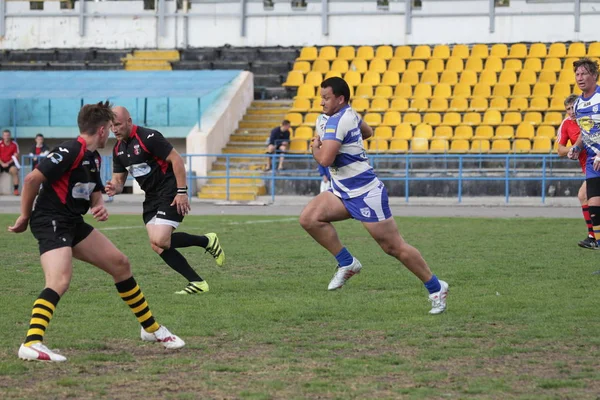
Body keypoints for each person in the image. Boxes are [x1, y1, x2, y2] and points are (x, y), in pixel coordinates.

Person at [8, 101, 184, 362]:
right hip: (51, 221)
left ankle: (151, 329)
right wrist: (25, 215)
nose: (112, 132)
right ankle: (32, 342)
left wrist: (98, 205)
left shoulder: (93, 157)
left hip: (73, 222)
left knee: (120, 264)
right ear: (101, 130)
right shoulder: (70, 150)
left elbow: (93, 189)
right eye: (109, 128)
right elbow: (32, 179)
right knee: (59, 280)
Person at [299, 77, 448, 315]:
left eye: (326, 98)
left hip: (365, 193)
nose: (321, 102)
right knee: (309, 218)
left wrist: (315, 148)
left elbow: (325, 160)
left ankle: (436, 286)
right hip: (342, 190)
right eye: (320, 97)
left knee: (393, 247)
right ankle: (347, 263)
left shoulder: (340, 120)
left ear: (340, 99)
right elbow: (367, 131)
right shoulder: (347, 116)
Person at [105, 106, 224, 295]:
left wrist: (182, 191)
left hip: (169, 191)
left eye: (118, 124)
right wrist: (114, 187)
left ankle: (206, 242)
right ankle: (198, 281)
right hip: (151, 197)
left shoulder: (148, 138)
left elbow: (176, 160)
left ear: (129, 121)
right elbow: (119, 181)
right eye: (111, 125)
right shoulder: (118, 149)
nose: (114, 129)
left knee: (160, 239)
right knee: (157, 244)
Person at [568, 58, 600, 249]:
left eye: (584, 73)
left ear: (594, 75)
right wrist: (577, 147)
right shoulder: (578, 104)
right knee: (594, 204)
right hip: (592, 160)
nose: (580, 78)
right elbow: (585, 132)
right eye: (577, 74)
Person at [557, 95, 596, 249]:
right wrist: (572, 149)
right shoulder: (566, 124)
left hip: (595, 164)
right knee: (586, 196)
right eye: (568, 109)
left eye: (573, 107)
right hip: (589, 168)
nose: (571, 111)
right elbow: (559, 150)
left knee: (584, 195)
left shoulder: (589, 118)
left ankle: (593, 236)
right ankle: (593, 236)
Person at [0, 129, 20, 195]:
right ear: (2, 136)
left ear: (10, 136)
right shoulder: (0, 143)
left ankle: (16, 190)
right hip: (1, 162)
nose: (6, 137)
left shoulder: (14, 144)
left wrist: (7, 163)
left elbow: (15, 156)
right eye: (5, 135)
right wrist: (2, 163)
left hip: (10, 163)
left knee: (14, 170)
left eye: (8, 135)